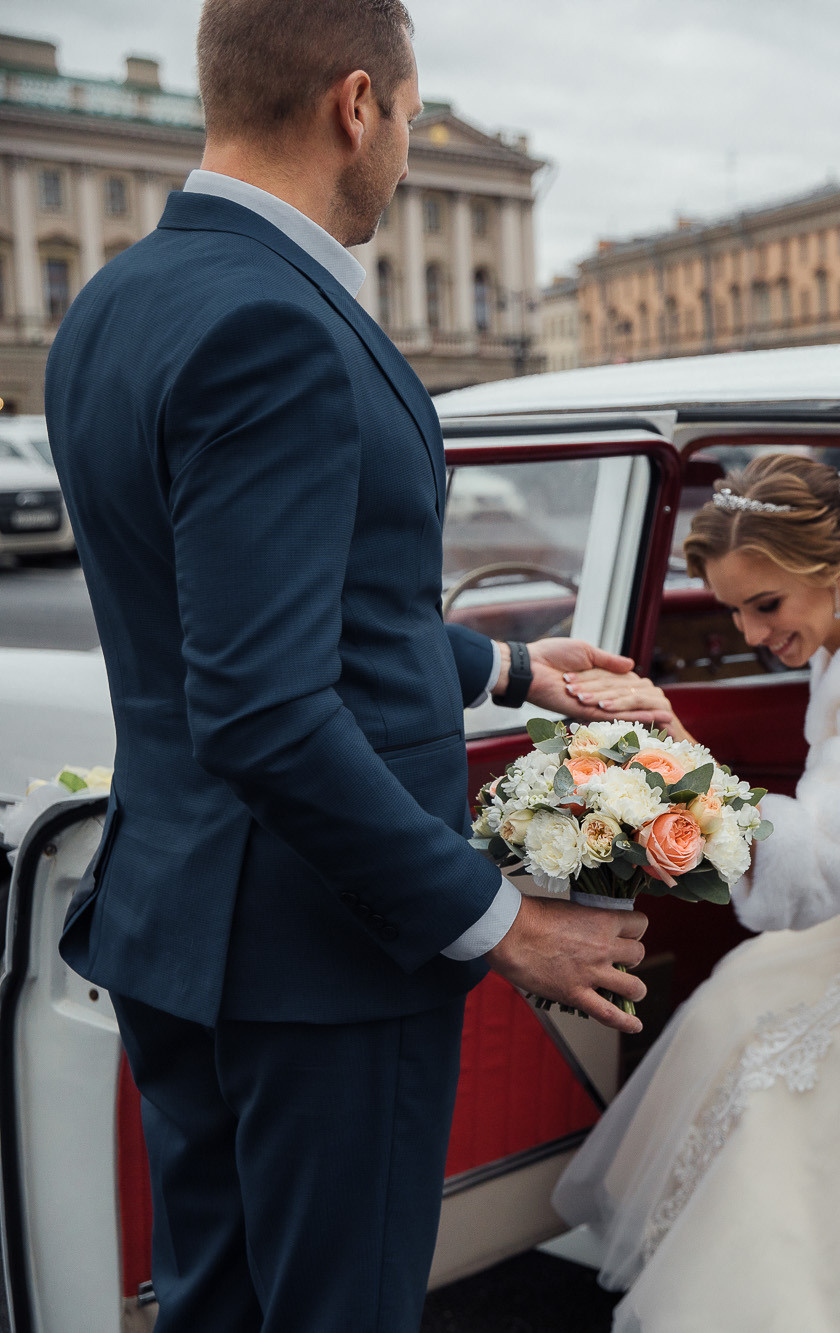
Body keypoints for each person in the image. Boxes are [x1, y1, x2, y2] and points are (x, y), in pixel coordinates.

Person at [40, 3, 675, 1329]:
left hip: (179, 927)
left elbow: (259, 618)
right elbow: (266, 710)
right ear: (356, 105)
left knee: (214, 1304)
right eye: (410, 112)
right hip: (322, 963)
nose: (405, 145)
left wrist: (508, 668)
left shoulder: (115, 305)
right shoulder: (279, 323)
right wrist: (506, 921)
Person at [554, 454, 840, 1332]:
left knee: (797, 1091)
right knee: (733, 999)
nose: (752, 631)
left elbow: (826, 864)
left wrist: (684, 759)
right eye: (733, 608)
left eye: (766, 604)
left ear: (835, 569)